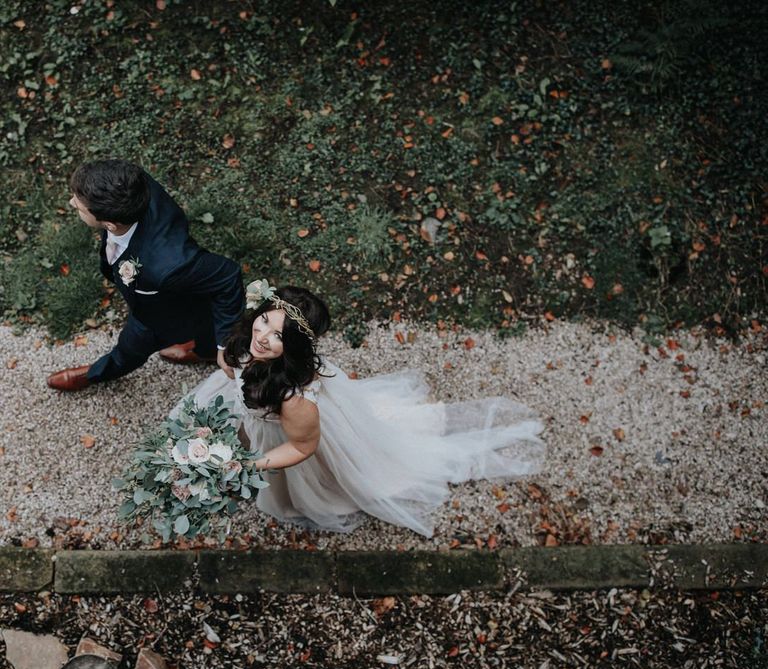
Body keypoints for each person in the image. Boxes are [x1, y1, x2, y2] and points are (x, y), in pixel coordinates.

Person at [185, 281, 545, 537]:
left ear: (293, 346)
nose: (262, 337)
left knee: (346, 477)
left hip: (284, 436)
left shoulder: (294, 401)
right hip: (256, 416)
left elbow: (301, 447)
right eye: (264, 321)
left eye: (278, 335)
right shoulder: (248, 342)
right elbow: (230, 363)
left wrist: (250, 465)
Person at [47, 160, 244, 391]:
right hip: (183, 292)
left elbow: (227, 276)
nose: (72, 202)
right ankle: (202, 349)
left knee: (130, 349)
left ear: (109, 224)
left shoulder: (167, 265)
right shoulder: (129, 184)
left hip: (158, 317)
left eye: (79, 206)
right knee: (204, 322)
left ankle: (96, 374)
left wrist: (225, 345)